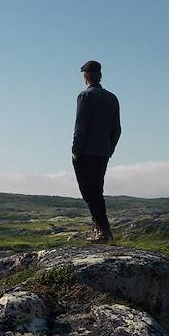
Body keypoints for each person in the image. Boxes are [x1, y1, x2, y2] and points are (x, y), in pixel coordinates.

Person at [71, 60, 121, 243]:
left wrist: (75, 151)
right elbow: (117, 129)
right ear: (100, 75)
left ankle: (102, 230)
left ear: (85, 76)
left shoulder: (85, 96)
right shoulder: (112, 98)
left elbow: (80, 127)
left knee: (89, 192)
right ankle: (101, 228)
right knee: (96, 191)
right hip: (102, 153)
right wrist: (109, 149)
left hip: (85, 152)